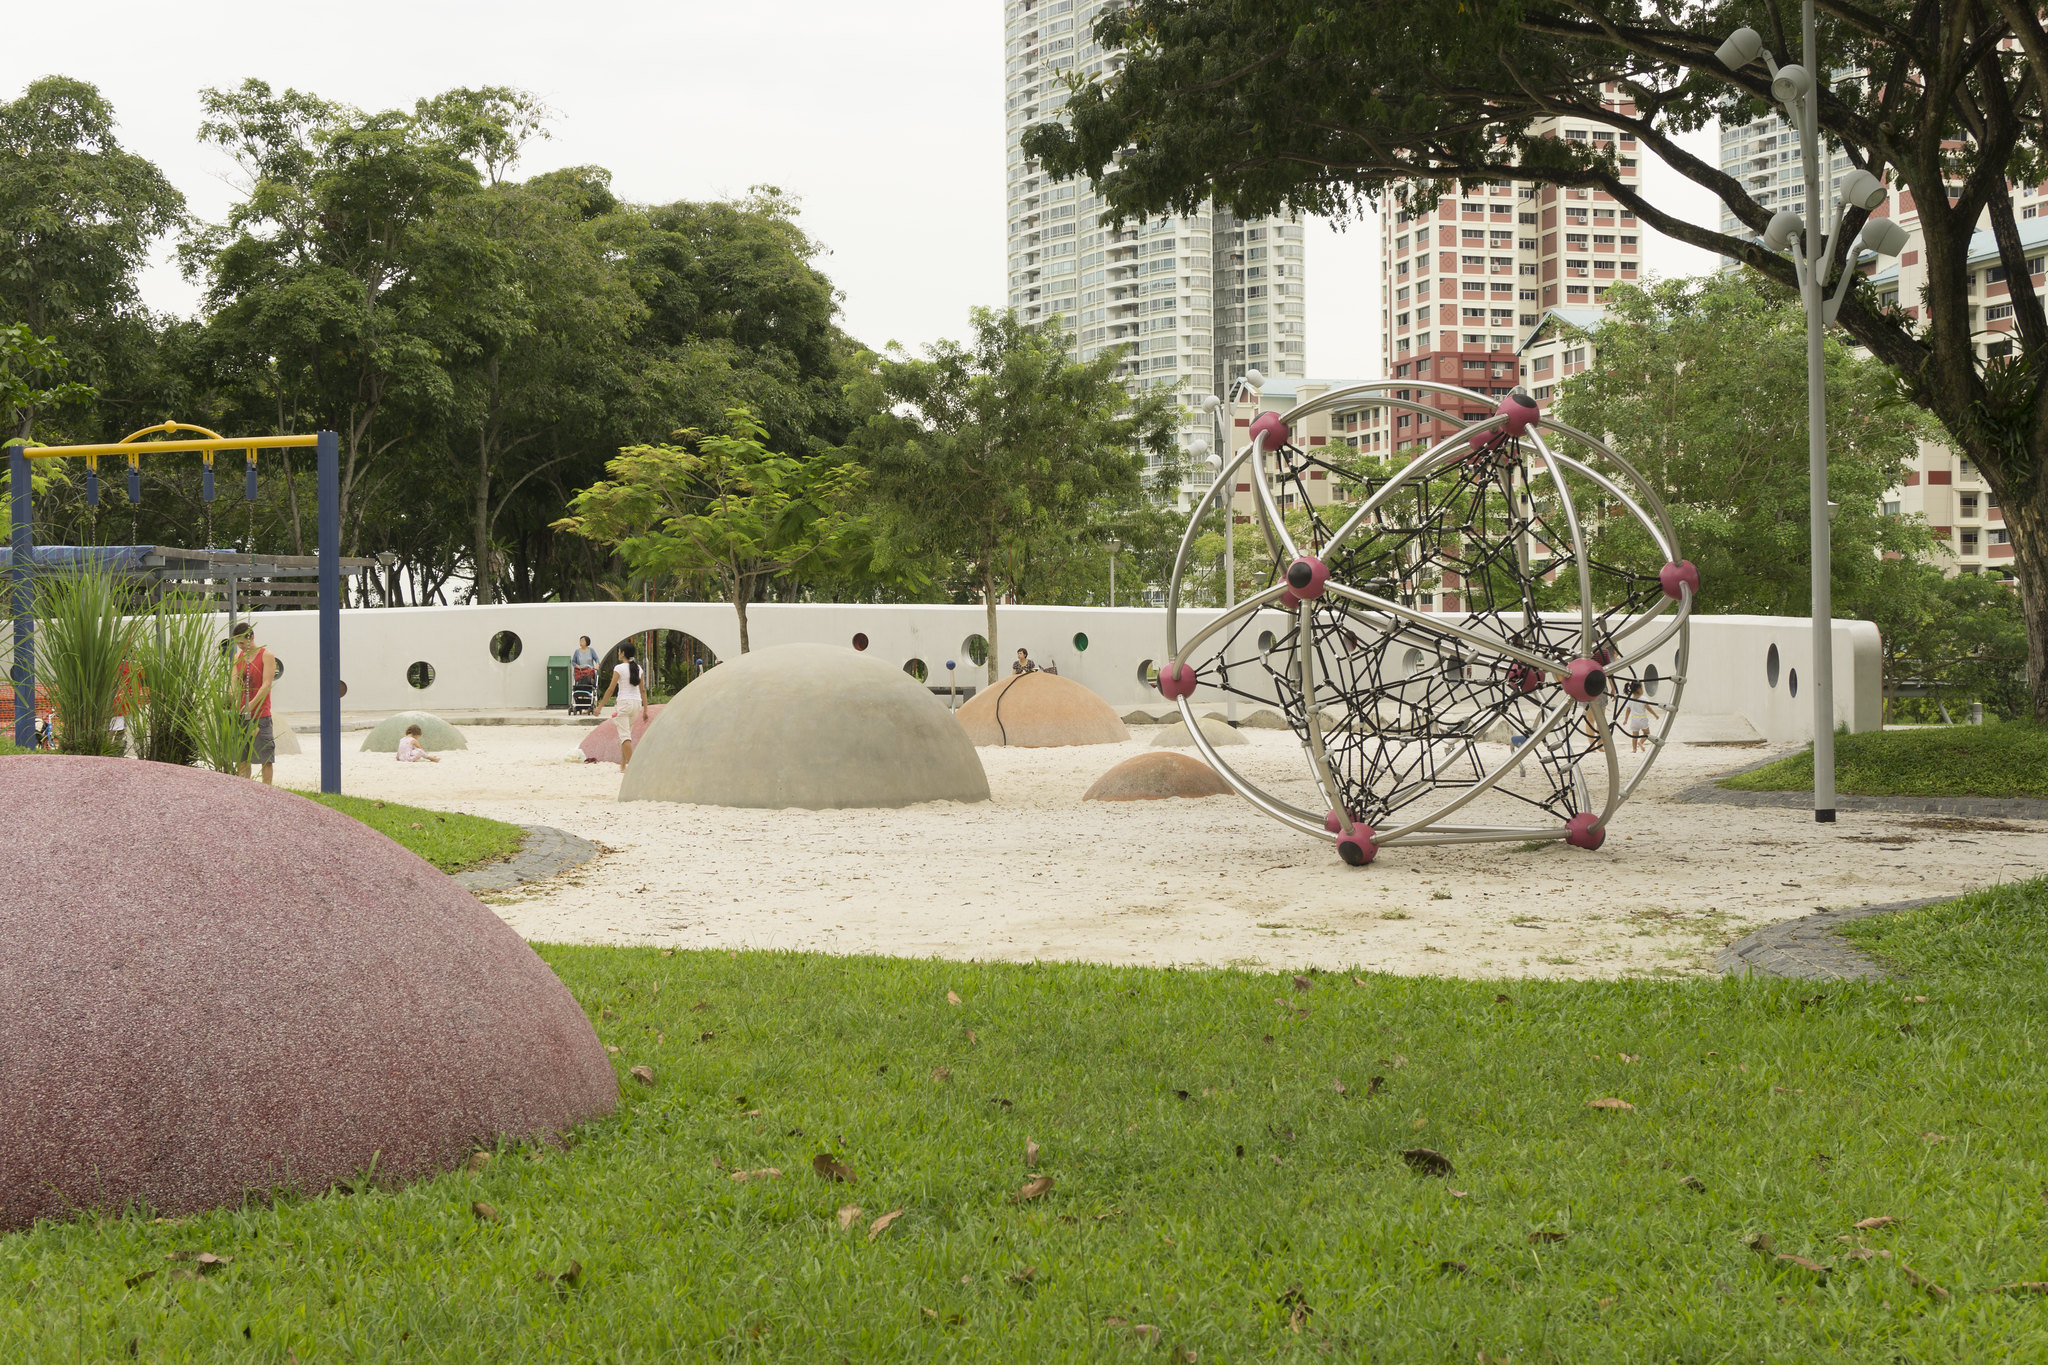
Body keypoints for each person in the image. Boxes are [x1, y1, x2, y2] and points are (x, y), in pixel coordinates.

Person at [232, 622, 277, 785]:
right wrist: (233, 699)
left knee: (265, 757)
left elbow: (266, 684)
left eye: (242, 642)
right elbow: (233, 682)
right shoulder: (238, 657)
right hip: (241, 714)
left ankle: (267, 790)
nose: (240, 646)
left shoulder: (266, 655)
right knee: (242, 758)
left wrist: (251, 704)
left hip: (260, 714)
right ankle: (244, 790)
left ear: (251, 637)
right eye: (237, 643)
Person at [595, 641, 645, 770]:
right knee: (626, 735)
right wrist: (646, 709)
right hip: (637, 704)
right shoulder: (639, 668)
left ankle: (634, 768)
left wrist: (600, 706)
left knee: (624, 736)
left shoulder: (619, 668)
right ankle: (622, 765)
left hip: (624, 703)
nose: (618, 653)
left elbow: (611, 689)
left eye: (619, 651)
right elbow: (643, 690)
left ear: (623, 653)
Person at [1619, 680, 1660, 754]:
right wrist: (1655, 715)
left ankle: (1634, 749)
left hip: (1634, 720)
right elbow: (1648, 708)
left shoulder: (1630, 699)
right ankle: (1641, 742)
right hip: (1642, 719)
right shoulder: (1643, 699)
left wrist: (1625, 719)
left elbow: (1628, 710)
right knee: (1647, 734)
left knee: (1634, 736)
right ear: (1639, 689)